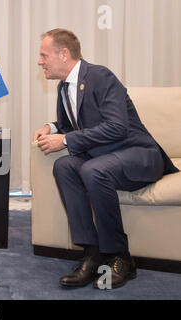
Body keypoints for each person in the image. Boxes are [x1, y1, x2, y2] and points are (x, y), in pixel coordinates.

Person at [33, 28, 178, 289]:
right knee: (64, 165)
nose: (40, 61)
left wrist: (65, 140)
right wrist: (52, 128)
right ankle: (92, 253)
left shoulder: (100, 76)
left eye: (44, 55)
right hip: (106, 157)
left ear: (64, 54)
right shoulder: (64, 87)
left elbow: (117, 127)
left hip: (138, 155)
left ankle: (121, 256)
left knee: (93, 170)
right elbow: (72, 124)